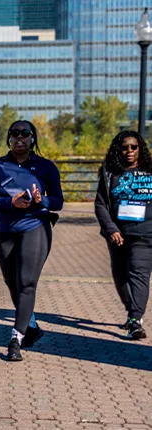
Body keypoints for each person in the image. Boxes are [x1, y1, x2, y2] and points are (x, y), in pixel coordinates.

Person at [0, 120, 63, 361]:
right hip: (4, 229)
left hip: (35, 227)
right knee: (13, 282)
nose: (20, 138)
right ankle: (32, 327)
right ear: (8, 139)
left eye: (25, 134)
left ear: (33, 139)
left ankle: (16, 338)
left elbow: (57, 201)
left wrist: (42, 201)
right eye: (14, 134)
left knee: (27, 283)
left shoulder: (46, 167)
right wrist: (9, 203)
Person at [95, 130, 152, 340]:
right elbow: (100, 204)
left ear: (140, 149)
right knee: (120, 277)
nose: (129, 151)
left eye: (133, 147)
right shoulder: (110, 173)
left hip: (146, 234)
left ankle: (135, 320)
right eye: (124, 147)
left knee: (139, 274)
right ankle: (132, 310)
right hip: (117, 234)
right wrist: (111, 229)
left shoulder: (150, 171)